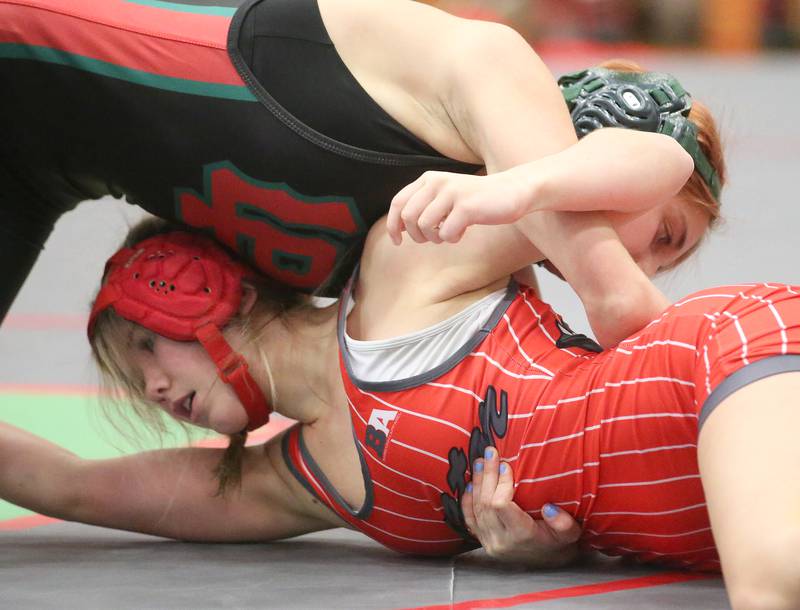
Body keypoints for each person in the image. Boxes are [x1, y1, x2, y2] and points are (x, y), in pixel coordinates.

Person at [3, 141, 798, 610]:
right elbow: (72, 486)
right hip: (695, 528)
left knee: (775, 585)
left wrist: (519, 184)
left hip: (720, 368)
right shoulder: (294, 484)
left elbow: (661, 162)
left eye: (147, 348)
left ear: (218, 291)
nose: (150, 389)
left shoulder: (401, 268)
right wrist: (539, 555)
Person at [1, 0, 724, 348]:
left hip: (29, 168)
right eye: (664, 232)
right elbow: (623, 306)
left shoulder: (472, 244)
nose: (647, 264)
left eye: (666, 262)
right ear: (615, 131)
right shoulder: (494, 68)